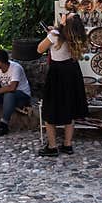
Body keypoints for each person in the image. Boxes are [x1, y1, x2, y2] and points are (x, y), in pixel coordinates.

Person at [36, 12, 88, 157]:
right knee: (70, 107)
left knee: (50, 108)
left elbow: (40, 49)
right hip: (72, 71)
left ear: (66, 22)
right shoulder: (77, 36)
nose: (63, 15)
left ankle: (52, 146)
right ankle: (67, 144)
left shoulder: (55, 34)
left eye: (66, 15)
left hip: (57, 73)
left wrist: (50, 34)